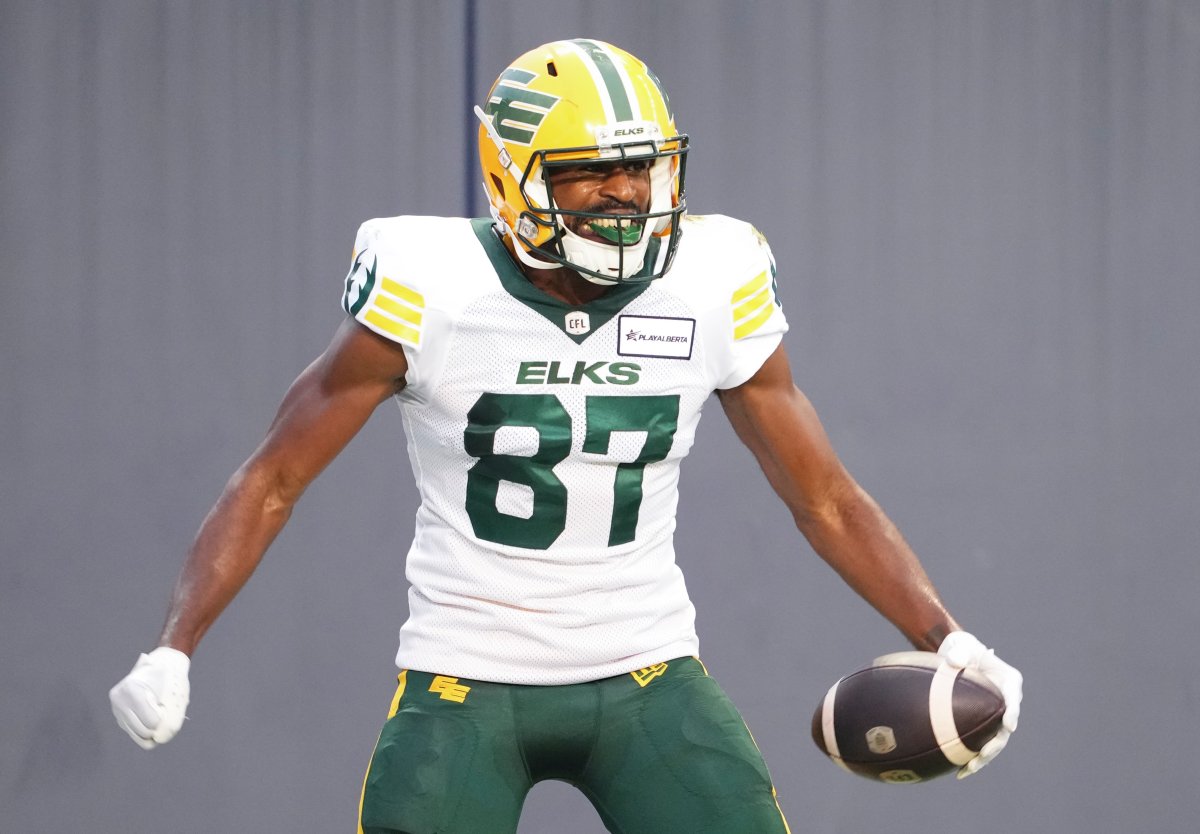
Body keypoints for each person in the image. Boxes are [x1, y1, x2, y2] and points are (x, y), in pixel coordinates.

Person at [110, 39, 1022, 833]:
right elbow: (272, 479)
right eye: (589, 169)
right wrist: (173, 647)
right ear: (514, 177)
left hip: (647, 671)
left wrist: (949, 639)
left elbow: (822, 496)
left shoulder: (711, 276)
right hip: (463, 682)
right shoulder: (432, 286)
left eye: (640, 166)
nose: (625, 192)